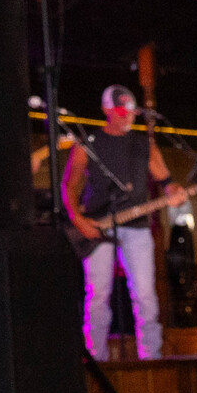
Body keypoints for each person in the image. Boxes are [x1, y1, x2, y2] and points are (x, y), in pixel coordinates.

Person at [63, 84, 185, 362]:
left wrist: (175, 191)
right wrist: (77, 219)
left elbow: (166, 180)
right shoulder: (88, 143)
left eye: (131, 111)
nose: (127, 116)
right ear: (106, 110)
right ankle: (97, 359)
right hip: (98, 226)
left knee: (145, 294)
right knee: (98, 296)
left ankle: (151, 357)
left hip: (138, 226)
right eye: (121, 111)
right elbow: (69, 184)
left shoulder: (144, 144)